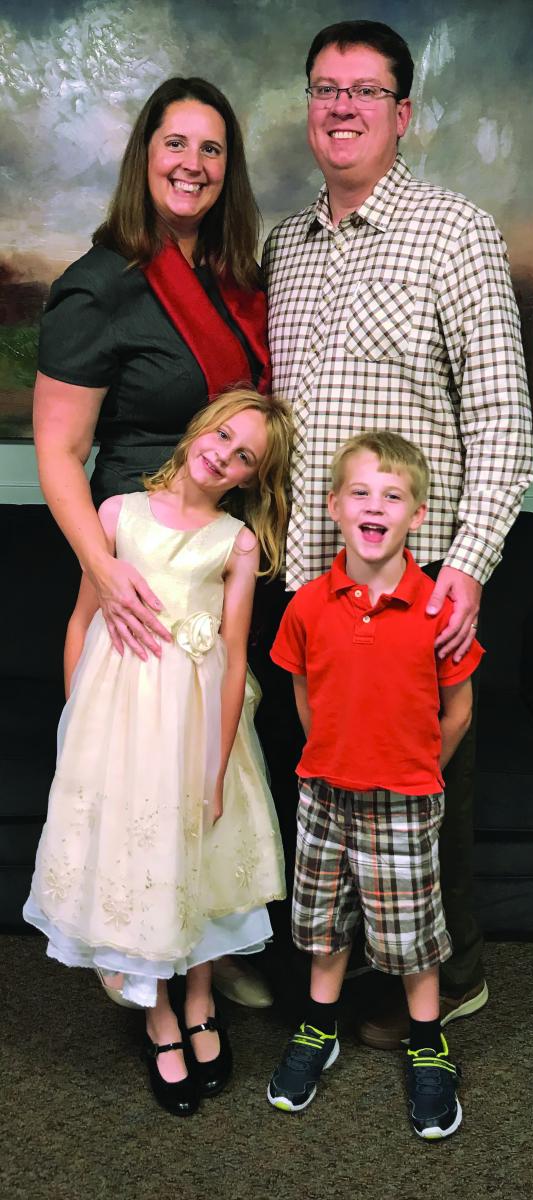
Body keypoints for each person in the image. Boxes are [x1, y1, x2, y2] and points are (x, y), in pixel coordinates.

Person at [260, 19, 533, 1043]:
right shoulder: (285, 243)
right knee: (328, 782)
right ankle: (334, 981)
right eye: (325, 87)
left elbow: (502, 415)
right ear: (308, 106)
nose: (340, 106)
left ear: (402, 113)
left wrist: (465, 569)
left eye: (365, 91)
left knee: (425, 794)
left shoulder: (455, 229)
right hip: (311, 579)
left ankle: (449, 977)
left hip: (420, 579)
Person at [34, 75, 273, 1009]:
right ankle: (137, 957)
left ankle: (201, 935)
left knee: (216, 757)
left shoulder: (234, 281)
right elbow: (58, 450)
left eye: (211, 149)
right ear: (145, 156)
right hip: (136, 552)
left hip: (222, 548)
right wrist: (103, 567)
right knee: (138, 762)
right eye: (176, 143)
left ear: (228, 170)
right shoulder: (99, 286)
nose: (193, 163)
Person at [24, 388, 292, 1117]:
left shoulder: (235, 542)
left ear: (250, 479)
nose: (224, 456)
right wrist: (77, 727)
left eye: (245, 457)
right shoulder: (116, 515)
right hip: (121, 727)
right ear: (200, 427)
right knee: (143, 862)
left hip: (197, 728)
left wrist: (214, 768)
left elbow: (235, 658)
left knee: (197, 858)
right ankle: (159, 1015)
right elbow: (82, 623)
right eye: (223, 436)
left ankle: (201, 994)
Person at [267, 431, 482, 1139]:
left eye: (391, 496)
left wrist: (417, 766)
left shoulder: (437, 609)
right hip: (324, 792)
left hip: (405, 799)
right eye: (359, 491)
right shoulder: (307, 605)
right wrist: (331, 750)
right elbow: (301, 692)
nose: (373, 505)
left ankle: (427, 1043)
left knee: (410, 934)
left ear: (416, 516)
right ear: (333, 506)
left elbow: (457, 709)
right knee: (323, 924)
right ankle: (317, 1028)